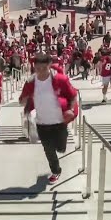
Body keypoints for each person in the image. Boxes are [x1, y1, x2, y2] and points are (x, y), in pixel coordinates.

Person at [19, 53, 78, 185]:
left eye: (43, 68)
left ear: (49, 66)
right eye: (37, 69)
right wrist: (25, 100)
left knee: (61, 148)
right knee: (48, 149)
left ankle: (61, 143)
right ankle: (56, 171)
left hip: (59, 121)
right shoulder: (31, 82)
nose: (40, 72)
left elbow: (73, 96)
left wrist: (70, 110)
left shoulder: (61, 79)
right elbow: (22, 100)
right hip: (42, 123)